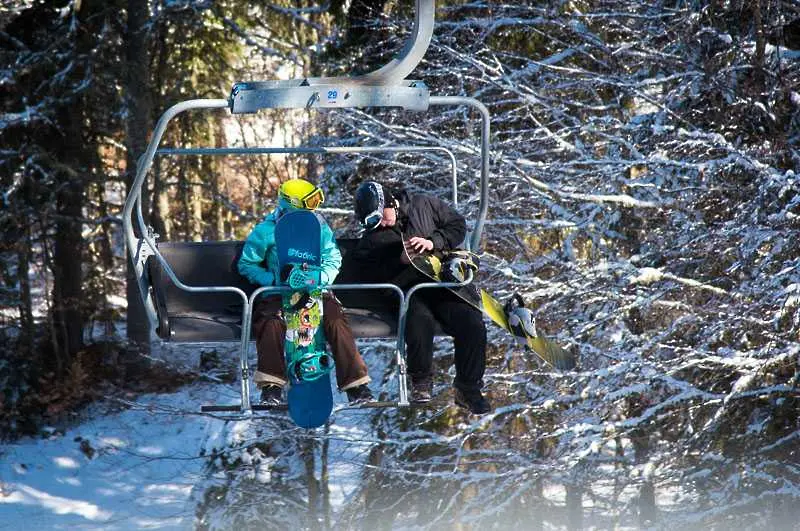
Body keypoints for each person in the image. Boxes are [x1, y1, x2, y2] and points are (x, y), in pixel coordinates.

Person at [350, 181, 490, 414]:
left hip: (439, 284)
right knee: (419, 318)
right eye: (374, 222)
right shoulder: (373, 239)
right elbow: (370, 269)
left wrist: (434, 241)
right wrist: (399, 260)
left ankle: (468, 388)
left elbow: (457, 226)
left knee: (472, 323)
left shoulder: (422, 205)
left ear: (390, 203)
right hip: (406, 290)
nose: (382, 224)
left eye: (381, 217)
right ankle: (421, 380)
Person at [238, 178, 373, 405]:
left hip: (316, 290)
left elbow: (333, 258)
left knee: (336, 320)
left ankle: (356, 385)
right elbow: (247, 264)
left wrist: (319, 278)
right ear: (291, 205)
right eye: (308, 204)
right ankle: (271, 386)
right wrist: (273, 279)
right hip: (279, 292)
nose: (314, 209)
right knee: (271, 322)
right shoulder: (266, 231)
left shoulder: (319, 228)